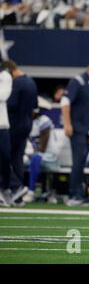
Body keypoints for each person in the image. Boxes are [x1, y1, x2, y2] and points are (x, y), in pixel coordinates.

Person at [61, 56, 89, 206]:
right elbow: (65, 101)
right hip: (78, 129)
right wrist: (67, 124)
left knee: (85, 164)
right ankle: (74, 195)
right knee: (78, 163)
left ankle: (81, 193)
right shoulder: (78, 81)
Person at [5, 60, 38, 206]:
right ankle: (17, 194)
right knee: (17, 159)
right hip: (26, 125)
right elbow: (35, 107)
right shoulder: (31, 82)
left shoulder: (16, 83)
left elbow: (10, 104)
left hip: (13, 126)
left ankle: (14, 187)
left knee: (5, 158)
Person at [0, 66, 12, 206]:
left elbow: (3, 96)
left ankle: (6, 188)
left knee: (5, 157)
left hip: (2, 125)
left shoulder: (5, 76)